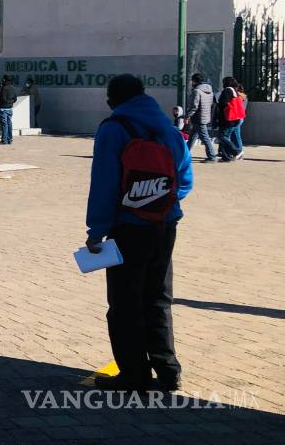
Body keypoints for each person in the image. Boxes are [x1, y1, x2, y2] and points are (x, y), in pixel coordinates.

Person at [86, 74, 192, 393]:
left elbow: (104, 184)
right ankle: (169, 371)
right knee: (158, 297)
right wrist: (161, 205)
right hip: (165, 226)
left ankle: (134, 374)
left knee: (124, 302)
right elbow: (185, 179)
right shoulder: (168, 129)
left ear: (112, 100)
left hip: (127, 229)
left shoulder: (113, 129)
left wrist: (97, 231)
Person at [184, 73, 216, 162]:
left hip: (198, 118)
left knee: (205, 138)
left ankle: (212, 156)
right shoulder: (209, 91)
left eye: (192, 80)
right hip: (204, 116)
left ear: (195, 81)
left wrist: (187, 116)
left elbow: (194, 106)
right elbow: (211, 104)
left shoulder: (196, 91)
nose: (191, 82)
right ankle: (184, 154)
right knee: (192, 137)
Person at [215, 76, 245, 162]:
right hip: (234, 118)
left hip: (228, 118)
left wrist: (219, 104)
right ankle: (226, 156)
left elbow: (223, 103)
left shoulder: (227, 90)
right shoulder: (234, 91)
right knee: (226, 137)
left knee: (222, 137)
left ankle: (236, 151)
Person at [0, 75, 19, 145]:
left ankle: (4, 140)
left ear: (4, 80)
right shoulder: (13, 88)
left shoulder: (4, 88)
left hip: (3, 108)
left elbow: (3, 99)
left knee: (4, 125)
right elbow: (15, 99)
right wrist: (10, 102)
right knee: (9, 123)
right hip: (10, 108)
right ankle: (10, 139)